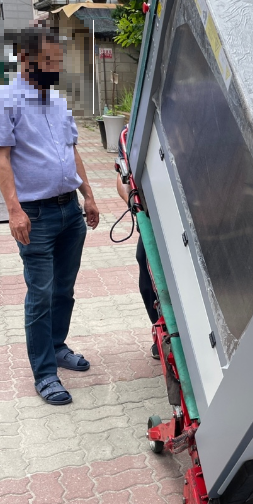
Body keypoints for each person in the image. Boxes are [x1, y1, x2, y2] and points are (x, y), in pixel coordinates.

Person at [0, 26, 100, 405]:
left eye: (58, 61)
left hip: (70, 212)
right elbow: (1, 159)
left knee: (64, 288)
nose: (55, 68)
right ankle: (45, 373)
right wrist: (14, 211)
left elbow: (72, 150)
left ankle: (57, 346)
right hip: (36, 216)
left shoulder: (58, 102)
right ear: (26, 59)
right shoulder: (3, 101)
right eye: (48, 61)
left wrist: (89, 195)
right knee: (41, 292)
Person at [116, 124, 160, 359]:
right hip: (151, 215)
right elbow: (122, 178)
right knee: (144, 259)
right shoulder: (130, 134)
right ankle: (160, 327)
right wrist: (133, 203)